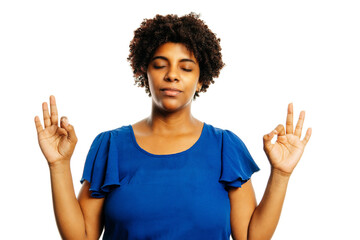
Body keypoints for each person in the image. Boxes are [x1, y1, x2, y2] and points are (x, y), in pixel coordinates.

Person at [34, 13, 312, 240]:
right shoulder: (111, 147)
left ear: (202, 79)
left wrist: (281, 174)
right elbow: (81, 237)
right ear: (144, 71)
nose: (172, 76)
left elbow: (251, 237)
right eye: (160, 65)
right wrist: (59, 165)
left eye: (186, 68)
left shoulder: (225, 147)